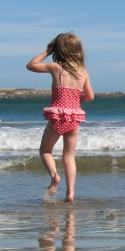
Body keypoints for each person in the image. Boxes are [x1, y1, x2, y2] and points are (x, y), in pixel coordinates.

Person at [26, 32, 94, 202]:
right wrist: (77, 97)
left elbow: (31, 65)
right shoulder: (82, 72)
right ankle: (70, 193)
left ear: (59, 49)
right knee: (69, 157)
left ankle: (55, 177)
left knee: (45, 150)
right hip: (74, 118)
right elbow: (90, 97)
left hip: (57, 117)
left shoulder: (56, 67)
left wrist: (47, 52)